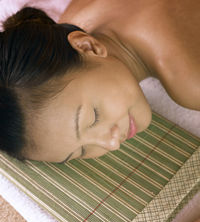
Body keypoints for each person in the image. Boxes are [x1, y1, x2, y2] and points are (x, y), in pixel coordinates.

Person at [0, 1, 200, 164]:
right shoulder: (76, 15)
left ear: (89, 47)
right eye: (82, 151)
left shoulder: (189, 82)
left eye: (94, 117)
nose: (112, 143)